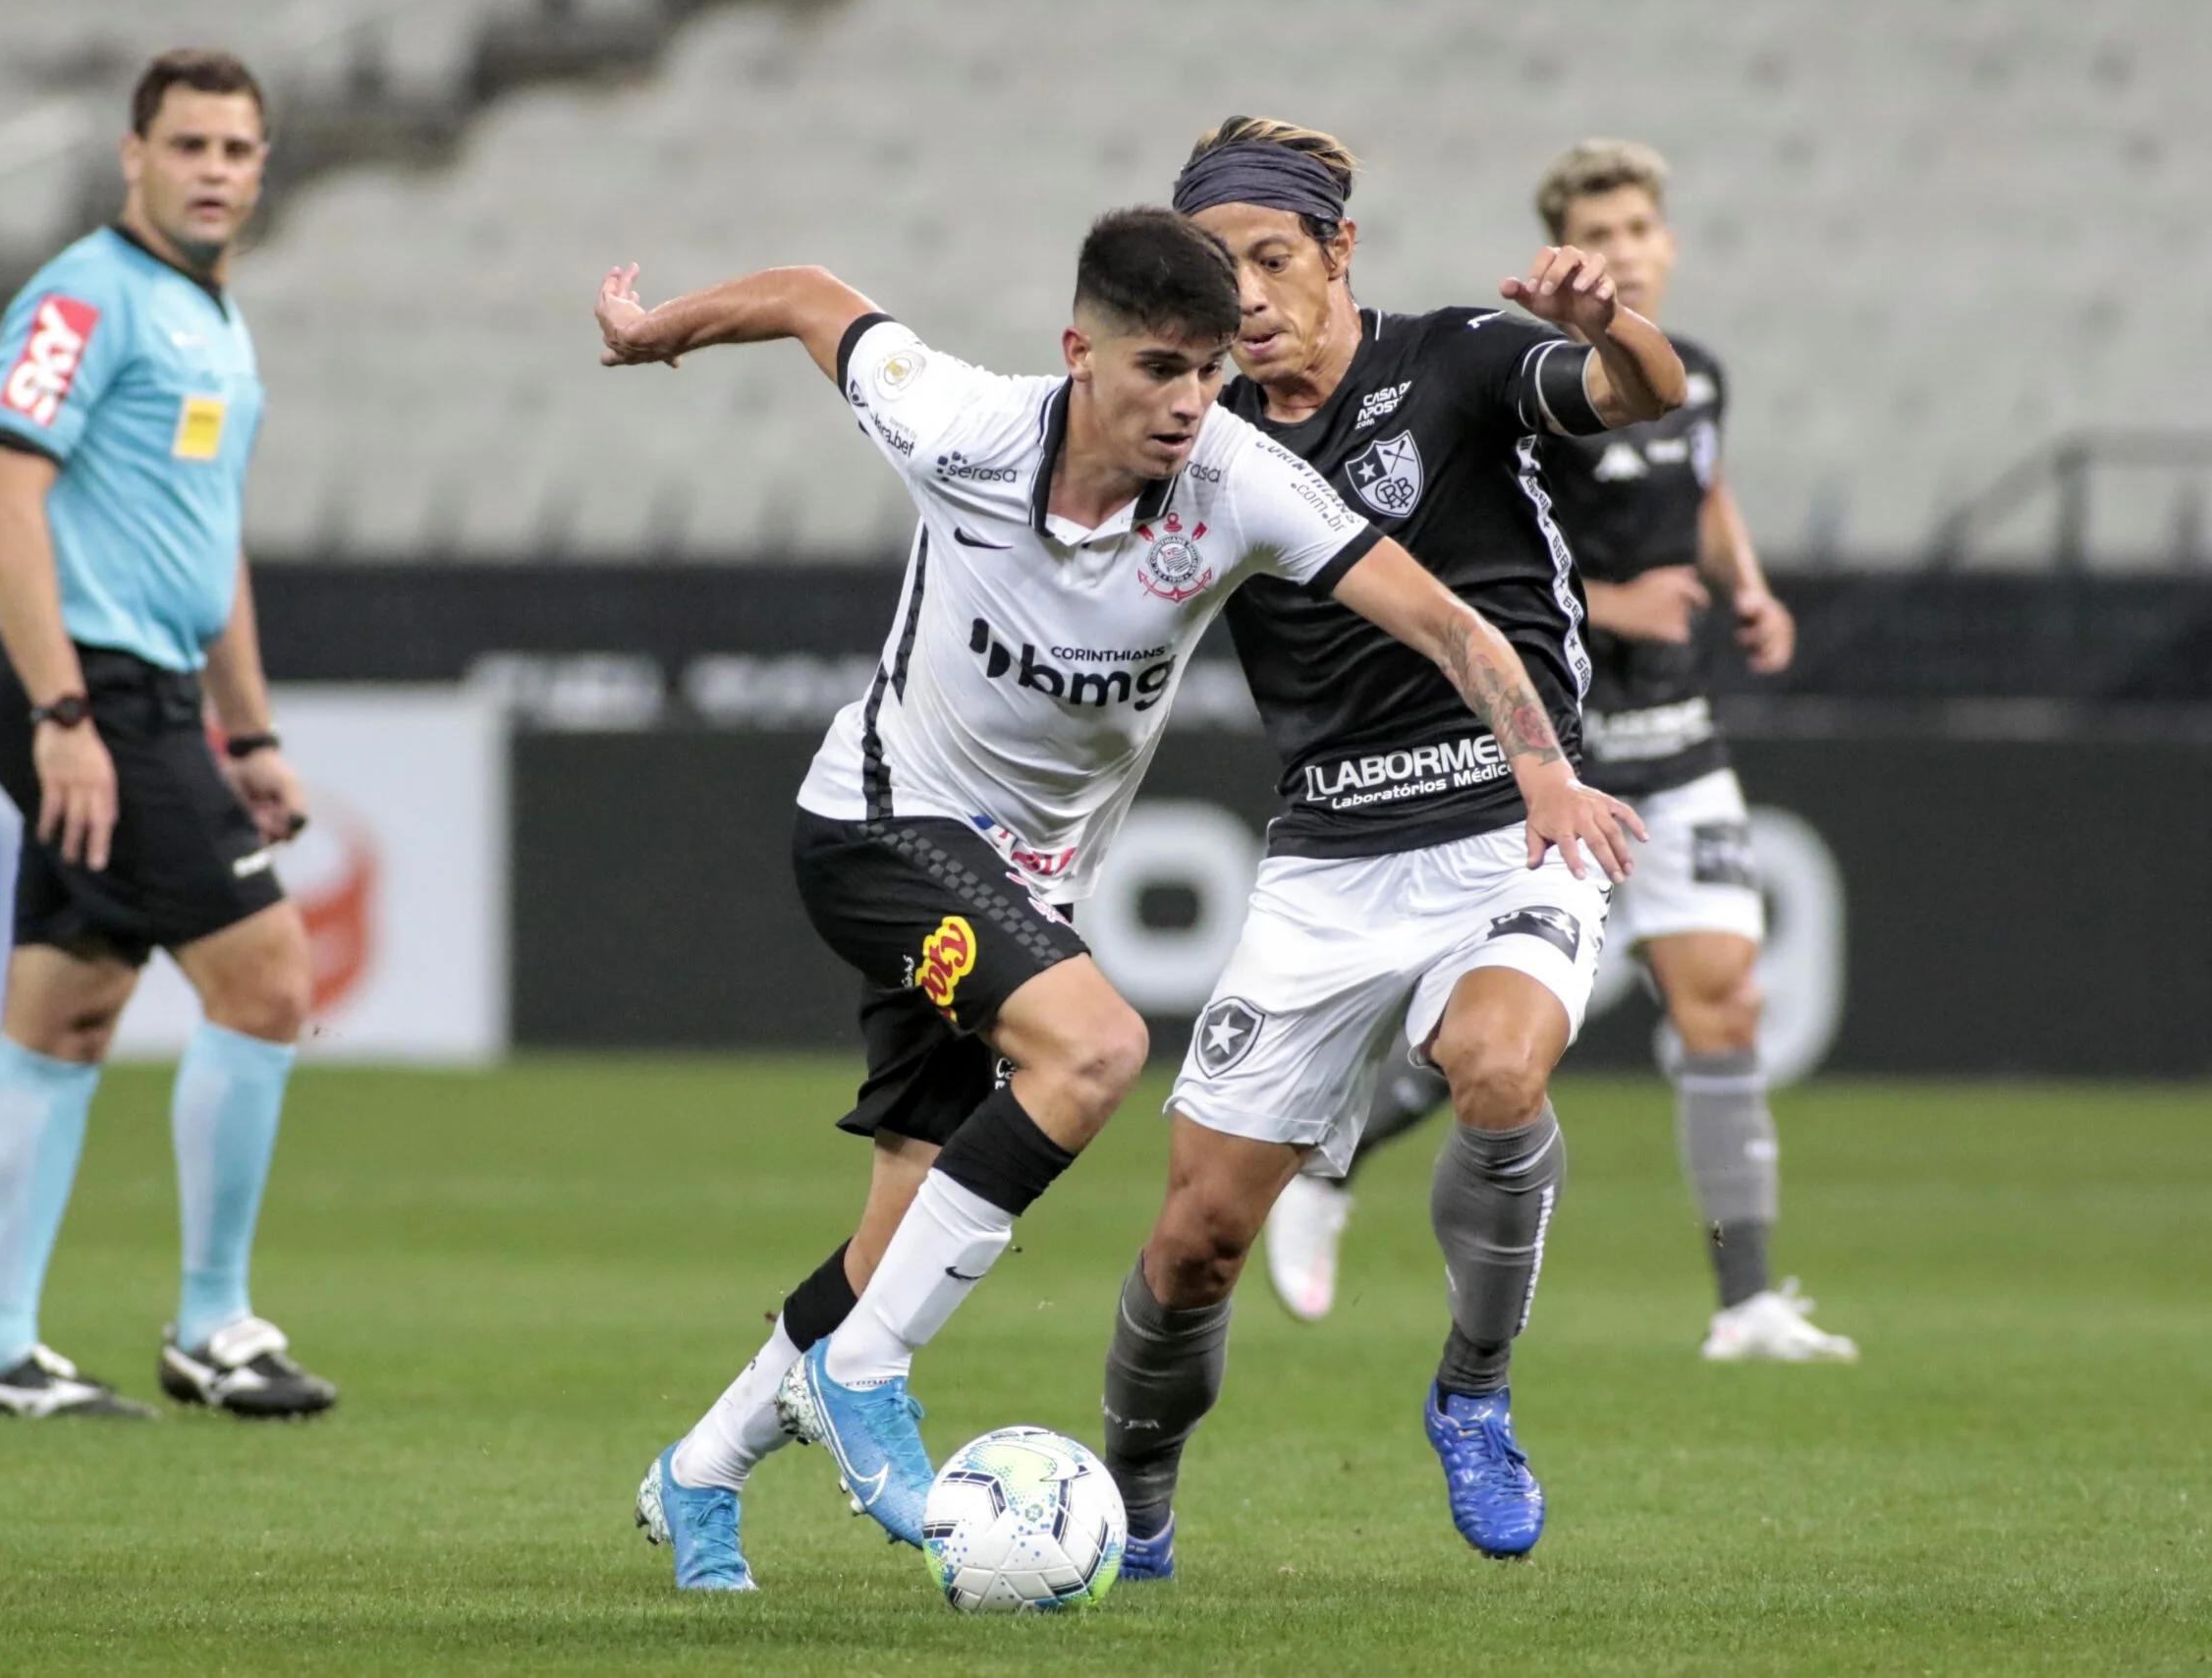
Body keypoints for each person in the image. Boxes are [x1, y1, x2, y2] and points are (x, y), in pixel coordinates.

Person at [590, 207, 1639, 1591]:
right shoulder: (954, 420)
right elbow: (805, 295)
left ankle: (701, 1470)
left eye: (1211, 371)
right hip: (878, 823)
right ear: (1079, 353)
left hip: (1021, 883)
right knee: (1092, 1046)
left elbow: (1447, 617)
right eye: (1160, 369)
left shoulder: (1241, 479)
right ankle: (865, 1374)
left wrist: (1545, 769)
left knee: (899, 1223)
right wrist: (653, 333)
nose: (1191, 402)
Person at [1098, 118, 1684, 1573]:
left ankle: (1473, 1393)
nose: (1246, 297)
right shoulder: (1199, 444)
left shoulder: (1461, 358)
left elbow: (1634, 393)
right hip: (1324, 863)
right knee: (1192, 1248)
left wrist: (1622, 330)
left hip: (1515, 816)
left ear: (1338, 249)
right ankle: (1135, 1494)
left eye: (1273, 259)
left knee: (1496, 1066)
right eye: (1215, 273)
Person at [1260, 140, 1854, 1367]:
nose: (1628, 246)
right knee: (1493, 1049)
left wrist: (1745, 585)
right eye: (1604, 228)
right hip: (1545, 753)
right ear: (1571, 239)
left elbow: (1703, 478)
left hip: (1680, 743)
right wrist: (1611, 599)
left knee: (1721, 1005)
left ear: (1666, 241)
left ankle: (1743, 1302)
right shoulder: (1539, 380)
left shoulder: (1700, 376)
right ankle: (1327, 1165)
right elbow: (1476, 537)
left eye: (1642, 225)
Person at [0, 49, 334, 1422]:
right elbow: (2, 495)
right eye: (190, 145)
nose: (216, 169)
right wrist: (60, 712)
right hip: (84, 692)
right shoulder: (83, 293)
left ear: (262, 165)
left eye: (237, 147)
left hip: (151, 696)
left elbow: (209, 548)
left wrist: (254, 730)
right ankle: (214, 1323)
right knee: (269, 978)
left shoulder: (216, 321)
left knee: (67, 1006)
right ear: (134, 155)